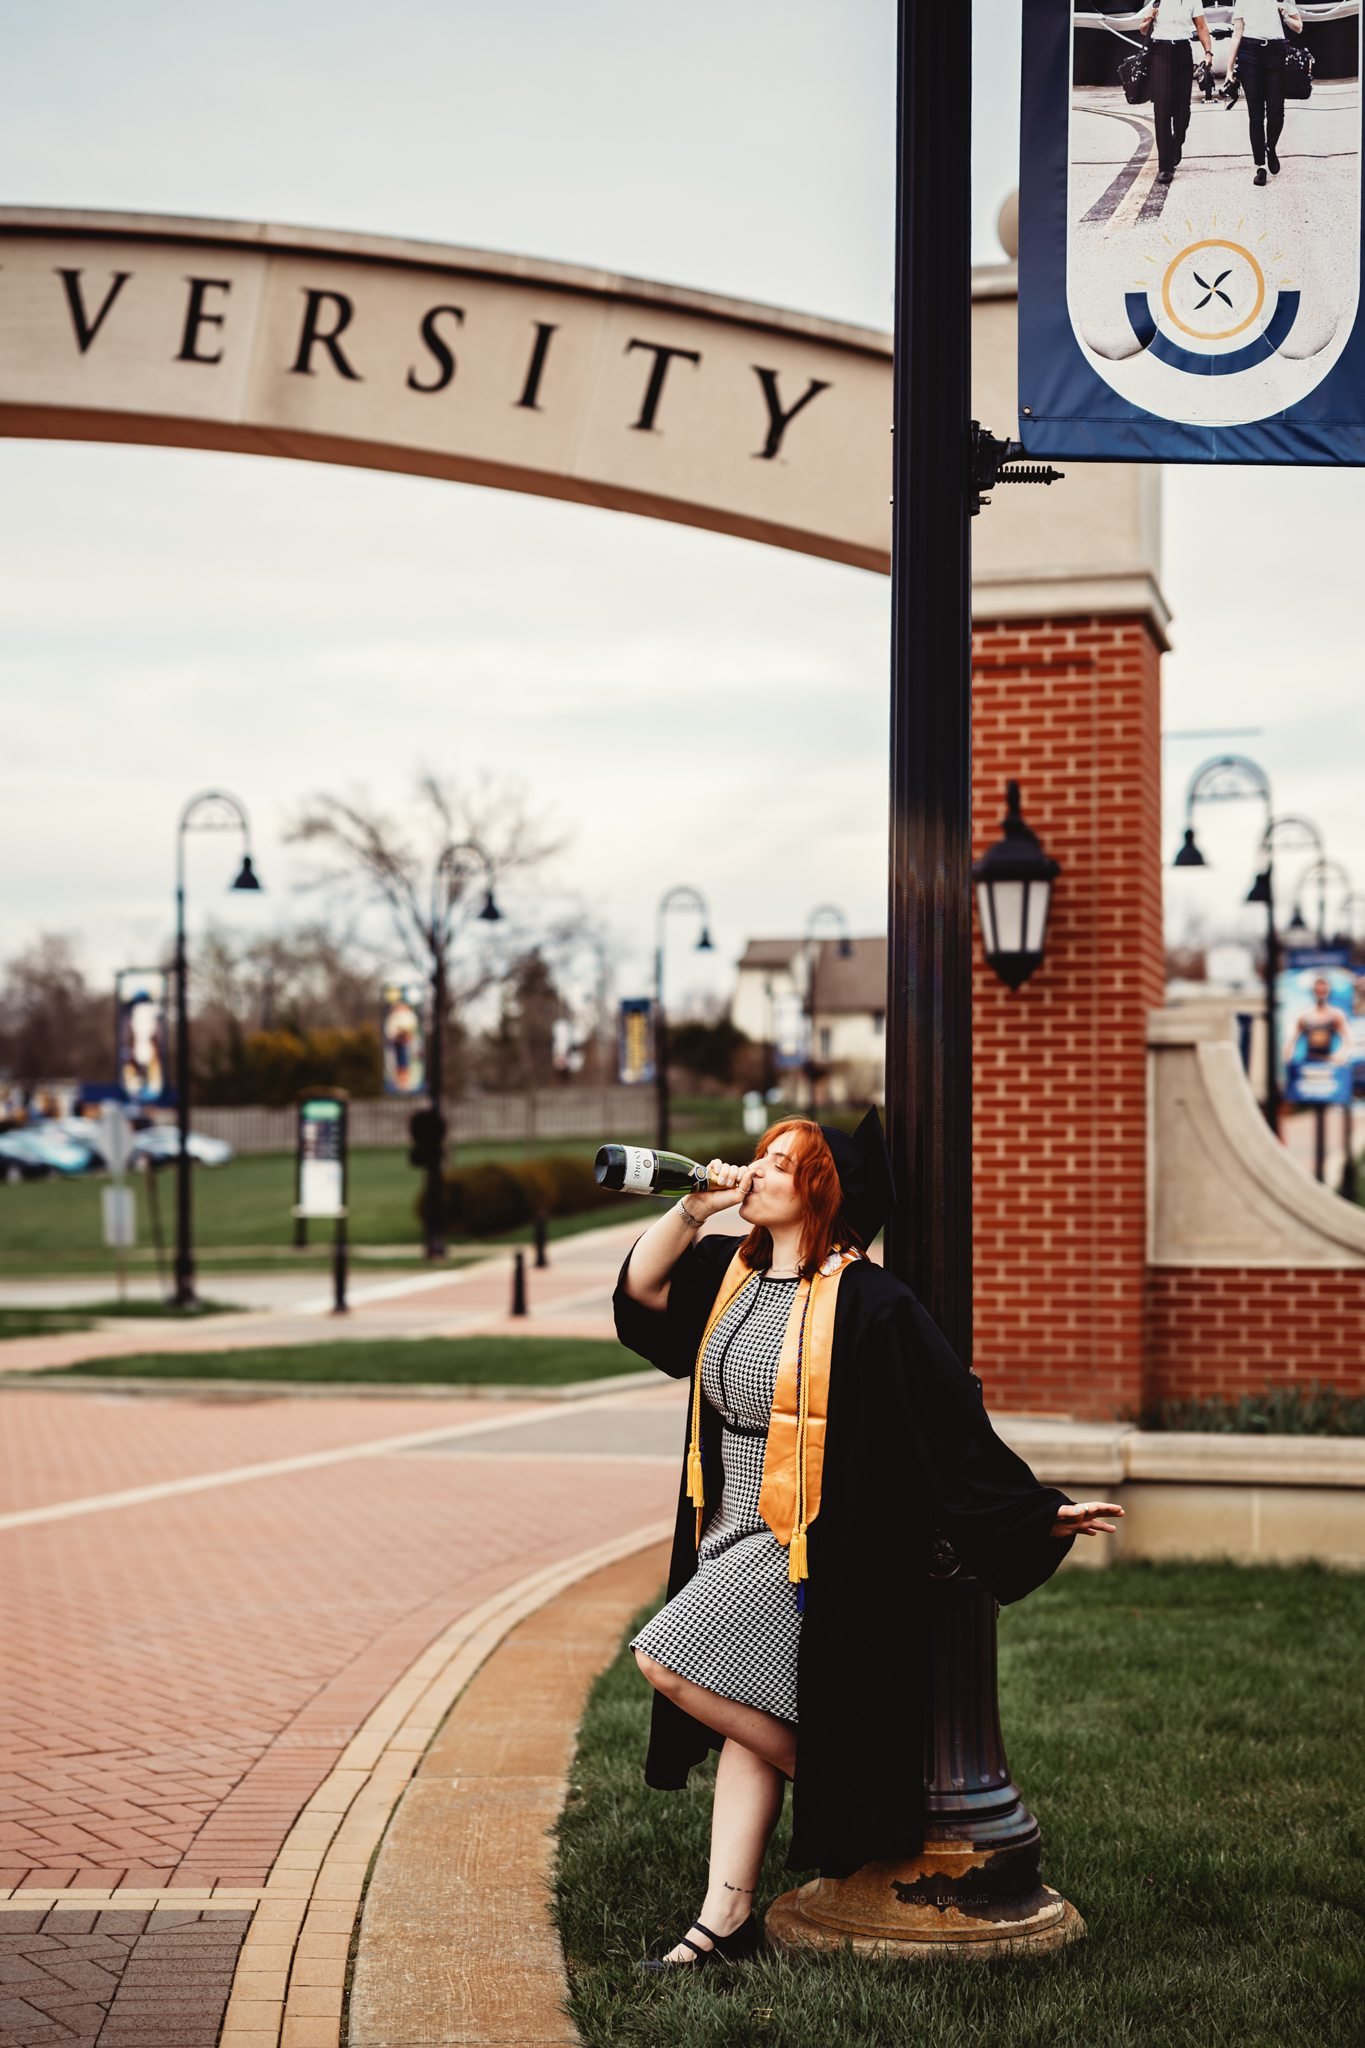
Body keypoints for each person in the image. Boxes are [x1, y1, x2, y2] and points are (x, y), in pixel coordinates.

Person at [614, 1111, 1123, 1970]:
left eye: (779, 1165)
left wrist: (1036, 1511)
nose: (757, 1172)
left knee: (664, 1660)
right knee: (748, 1719)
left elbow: (947, 1422)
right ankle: (722, 1921)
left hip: (805, 1541)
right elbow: (642, 1293)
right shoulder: (727, 1270)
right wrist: (695, 1205)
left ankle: (847, 1787)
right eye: (762, 1158)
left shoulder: (870, 1301)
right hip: (724, 1518)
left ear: (821, 1193)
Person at [1228, 0, 1304, 184]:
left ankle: (1270, 147)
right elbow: (1237, 33)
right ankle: (1260, 166)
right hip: (1250, 52)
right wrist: (1229, 68)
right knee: (1255, 114)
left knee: (1276, 110)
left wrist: (1285, 15)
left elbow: (1299, 27)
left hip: (1276, 52)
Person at [1139, 0, 1215, 185]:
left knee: (1183, 109)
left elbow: (1201, 26)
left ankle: (1176, 142)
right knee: (1162, 108)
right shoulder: (1156, 1)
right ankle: (1165, 167)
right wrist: (1148, 19)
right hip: (1160, 51)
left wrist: (1208, 52)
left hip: (1182, 50)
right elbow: (1142, 29)